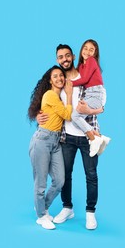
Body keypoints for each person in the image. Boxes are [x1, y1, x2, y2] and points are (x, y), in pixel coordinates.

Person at [37, 44, 104, 230]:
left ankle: (91, 212)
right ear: (57, 59)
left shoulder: (86, 74)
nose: (64, 59)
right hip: (66, 138)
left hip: (88, 135)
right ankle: (67, 208)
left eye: (67, 56)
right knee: (65, 175)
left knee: (91, 175)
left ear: (73, 56)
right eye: (60, 57)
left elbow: (101, 102)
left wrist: (94, 109)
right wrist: (37, 114)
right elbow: (43, 102)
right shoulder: (58, 80)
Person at [28, 65, 73, 230]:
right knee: (40, 183)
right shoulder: (50, 95)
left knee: (60, 180)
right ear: (50, 80)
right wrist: (69, 95)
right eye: (55, 76)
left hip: (55, 143)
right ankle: (41, 216)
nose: (60, 78)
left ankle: (42, 206)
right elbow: (67, 115)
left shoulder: (57, 97)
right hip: (42, 140)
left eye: (61, 75)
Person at [71, 39, 111, 157]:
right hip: (90, 94)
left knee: (75, 116)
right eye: (85, 48)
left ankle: (94, 139)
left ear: (95, 53)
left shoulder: (92, 61)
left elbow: (84, 80)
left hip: (96, 94)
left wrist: (69, 83)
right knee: (76, 119)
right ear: (81, 49)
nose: (88, 52)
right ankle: (100, 137)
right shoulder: (81, 66)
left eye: (91, 50)